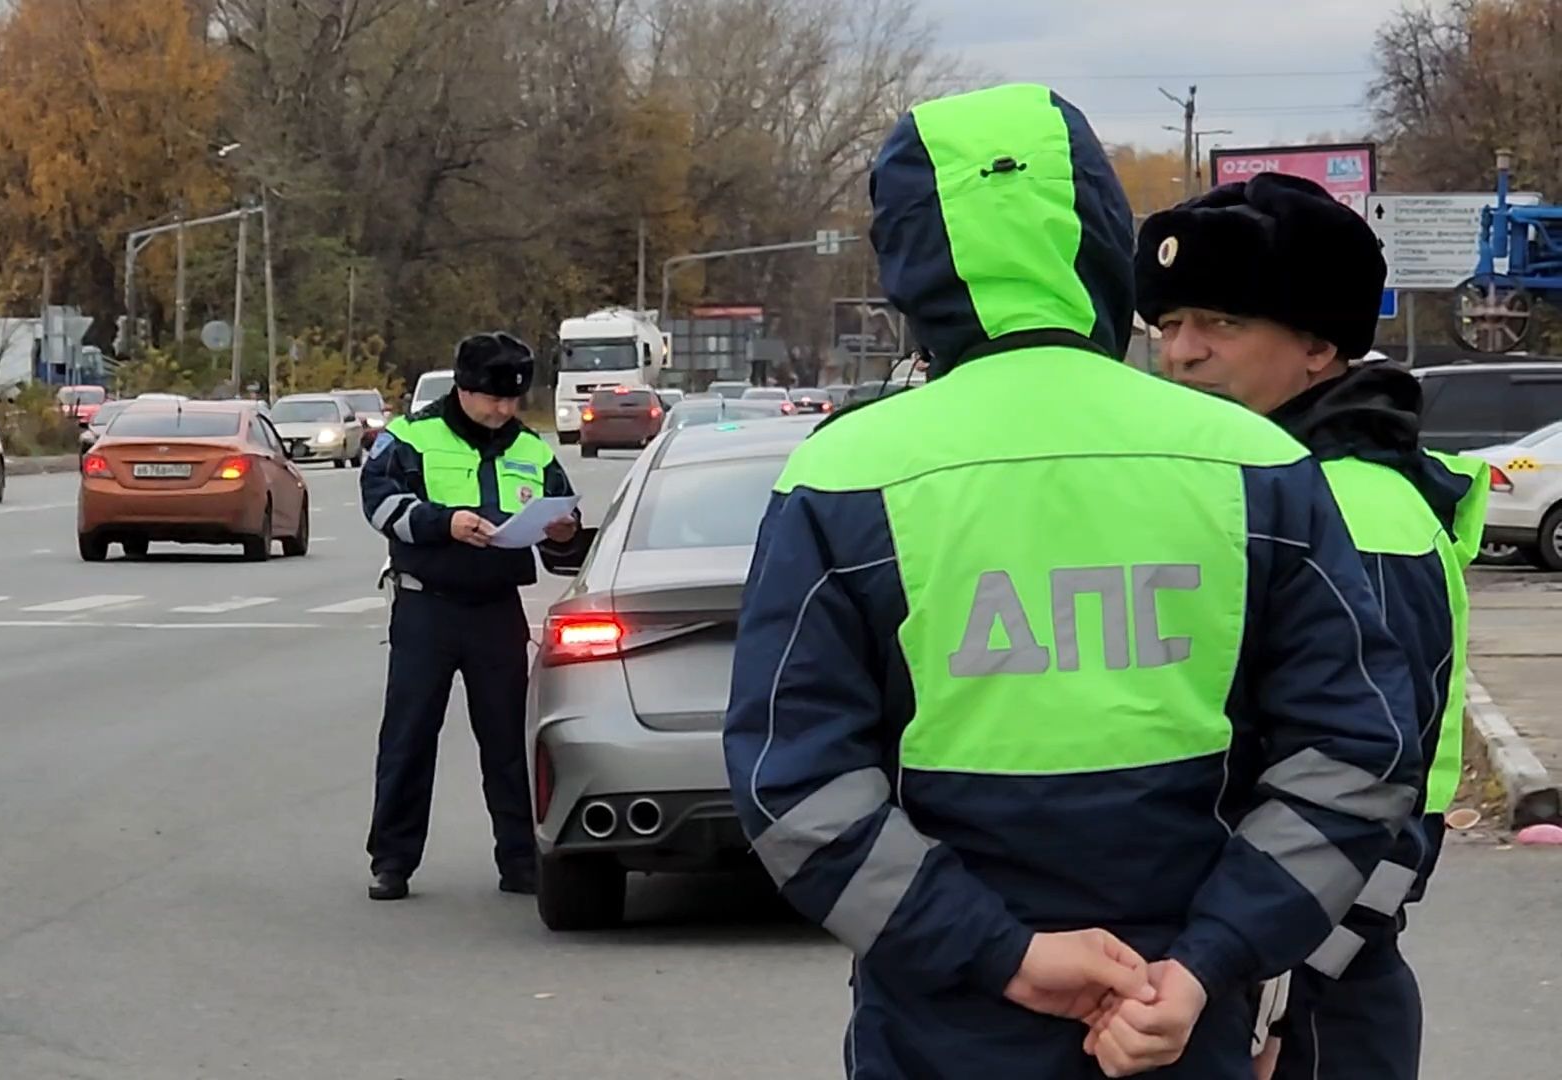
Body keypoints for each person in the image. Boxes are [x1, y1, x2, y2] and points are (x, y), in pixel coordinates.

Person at [722, 82, 1421, 1079]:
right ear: (1101, 234)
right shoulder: (1253, 462)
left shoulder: (844, 475)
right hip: (1178, 1021)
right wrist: (1208, 961)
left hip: (943, 1031)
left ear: (912, 261)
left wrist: (1002, 955)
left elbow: (794, 787)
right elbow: (1358, 754)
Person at [1137, 173, 1489, 1080]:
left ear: (1320, 347)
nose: (1182, 354)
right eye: (1167, 325)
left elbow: (1382, 795)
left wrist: (1278, 996)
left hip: (1306, 999)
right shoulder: (1254, 487)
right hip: (1231, 972)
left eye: (1220, 323)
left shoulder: (1355, 512)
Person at [358, 331, 583, 901]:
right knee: (409, 737)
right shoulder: (411, 437)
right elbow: (380, 503)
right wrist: (444, 523)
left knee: (508, 740)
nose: (503, 410)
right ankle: (393, 860)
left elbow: (563, 524)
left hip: (495, 610)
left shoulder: (531, 448)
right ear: (462, 387)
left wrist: (563, 533)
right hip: (426, 606)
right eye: (491, 398)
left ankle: (519, 860)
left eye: (512, 400)